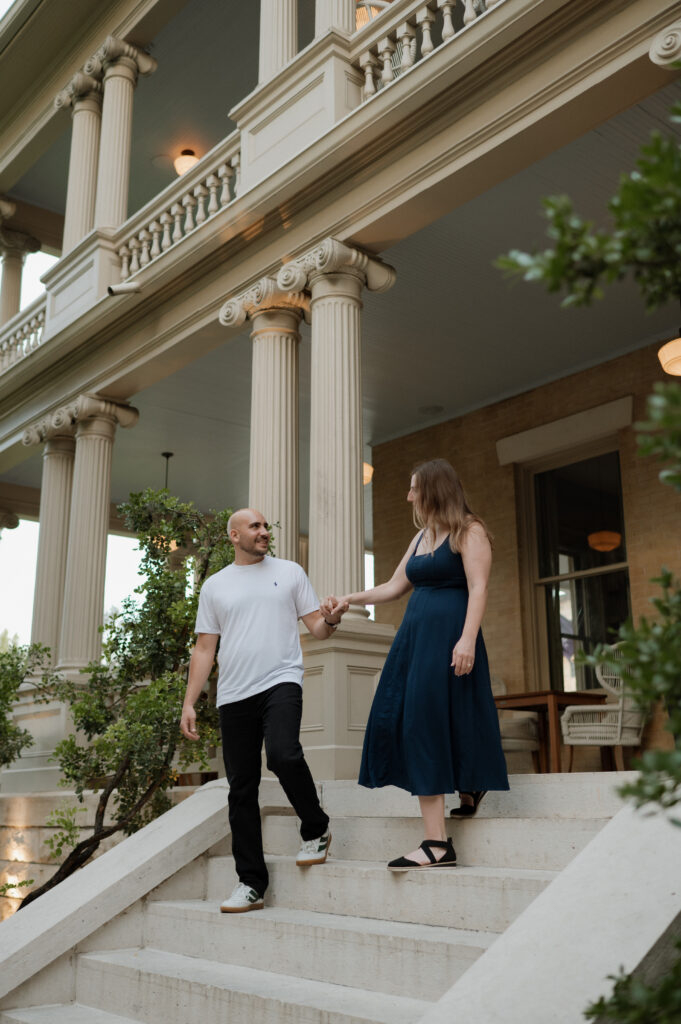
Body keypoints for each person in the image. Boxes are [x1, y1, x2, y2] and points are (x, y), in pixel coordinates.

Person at [325, 459, 508, 869]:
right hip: (415, 640)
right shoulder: (422, 536)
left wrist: (466, 639)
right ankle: (469, 787)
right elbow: (393, 586)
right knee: (419, 719)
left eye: (413, 488)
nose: (408, 496)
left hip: (450, 638)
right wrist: (348, 599)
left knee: (431, 721)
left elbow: (478, 586)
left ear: (433, 489)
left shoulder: (469, 531)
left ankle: (437, 845)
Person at [180, 509, 345, 912]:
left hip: (281, 680)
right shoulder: (215, 586)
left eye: (265, 526)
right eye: (255, 527)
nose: (264, 532)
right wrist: (189, 702)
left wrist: (333, 619)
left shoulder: (290, 572)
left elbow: (317, 628)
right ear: (234, 536)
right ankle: (251, 883)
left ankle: (316, 827)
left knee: (284, 754)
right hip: (234, 694)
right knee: (241, 789)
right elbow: (205, 648)